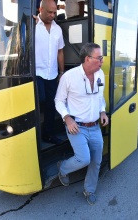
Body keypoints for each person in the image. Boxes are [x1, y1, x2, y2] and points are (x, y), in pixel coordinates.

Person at [54, 42, 109, 205]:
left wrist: (103, 111)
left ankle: (89, 190)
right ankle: (62, 168)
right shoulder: (69, 77)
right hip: (76, 126)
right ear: (87, 59)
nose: (102, 61)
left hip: (95, 126)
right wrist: (67, 118)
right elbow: (58, 101)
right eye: (99, 58)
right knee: (84, 159)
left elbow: (100, 98)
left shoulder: (100, 75)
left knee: (96, 160)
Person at [35, 0, 65, 144]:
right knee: (39, 101)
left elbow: (60, 52)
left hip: (52, 74)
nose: (53, 15)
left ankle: (48, 135)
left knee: (51, 105)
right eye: (50, 12)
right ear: (40, 9)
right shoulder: (31, 25)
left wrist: (61, 72)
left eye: (55, 12)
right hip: (36, 74)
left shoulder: (57, 29)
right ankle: (33, 136)